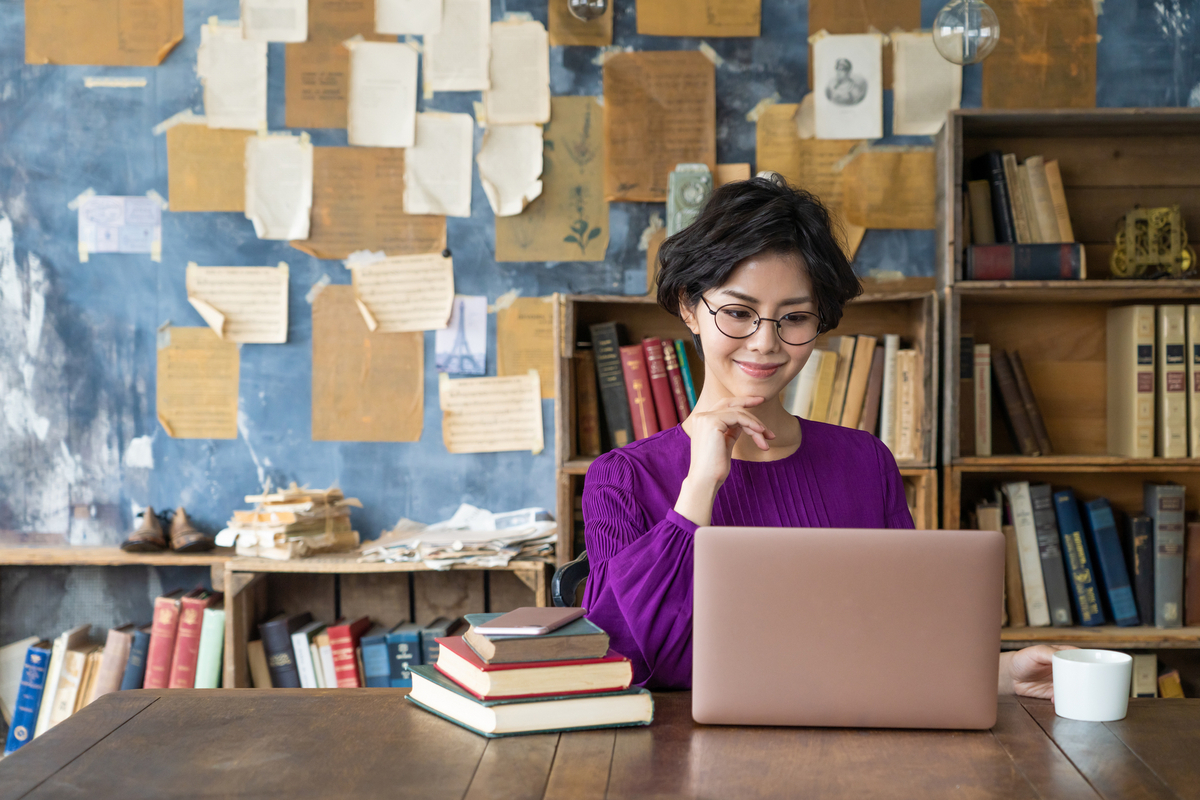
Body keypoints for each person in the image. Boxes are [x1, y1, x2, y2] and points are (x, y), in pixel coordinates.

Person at [581, 174, 1070, 697]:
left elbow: (898, 646)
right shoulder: (622, 479)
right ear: (689, 307)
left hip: (847, 747)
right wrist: (698, 488)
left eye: (793, 318)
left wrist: (1002, 673)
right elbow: (620, 662)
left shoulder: (864, 462)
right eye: (739, 313)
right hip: (680, 759)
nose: (765, 342)